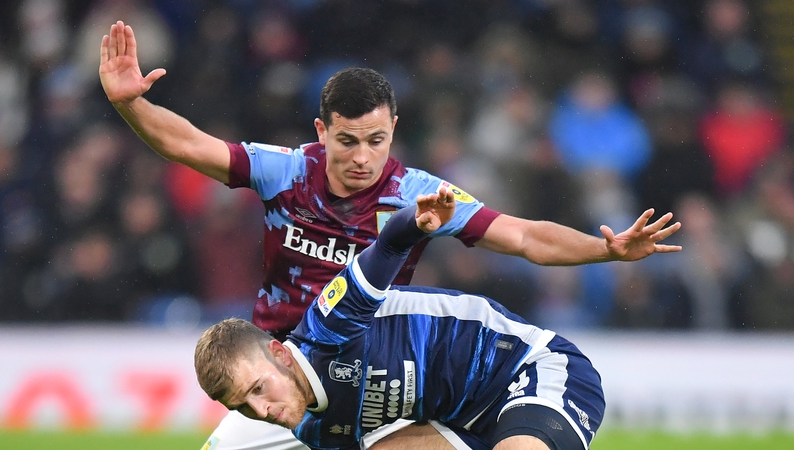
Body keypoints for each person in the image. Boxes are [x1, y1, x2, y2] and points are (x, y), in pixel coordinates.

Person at [99, 20, 681, 450]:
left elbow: (524, 237)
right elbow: (190, 146)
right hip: (292, 375)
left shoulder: (420, 194)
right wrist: (132, 107)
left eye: (376, 141)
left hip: (389, 370)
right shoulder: (286, 170)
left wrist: (605, 249)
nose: (362, 157)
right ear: (321, 131)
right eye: (347, 141)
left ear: (394, 129)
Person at [194, 187, 618, 450]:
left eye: (257, 389)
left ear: (278, 353)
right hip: (462, 422)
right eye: (243, 408)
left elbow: (389, 246)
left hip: (529, 371)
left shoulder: (330, 324)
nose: (261, 410)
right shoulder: (314, 432)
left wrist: (416, 222)